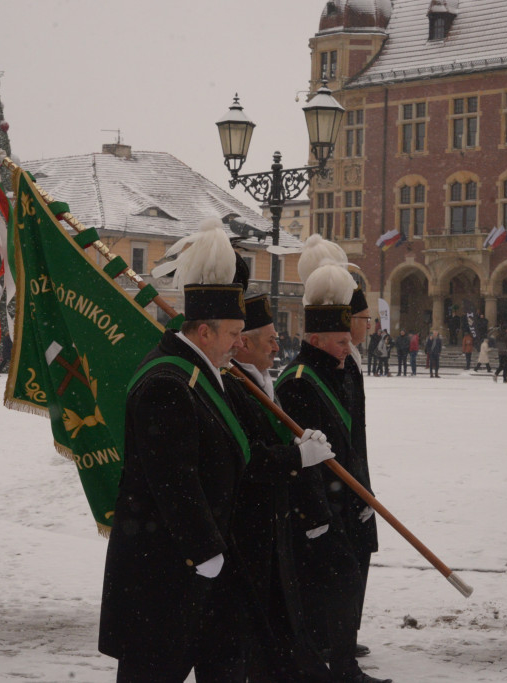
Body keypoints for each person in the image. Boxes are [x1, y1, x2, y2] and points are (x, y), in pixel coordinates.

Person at [99, 218, 251, 681]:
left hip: (199, 568)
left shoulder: (200, 374)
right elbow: (173, 480)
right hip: (164, 573)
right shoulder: (168, 383)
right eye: (233, 334)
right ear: (204, 333)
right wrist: (205, 549)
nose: (240, 343)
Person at [276, 266, 391, 683]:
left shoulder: (338, 371)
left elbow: (351, 443)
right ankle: (335, 664)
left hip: (345, 497)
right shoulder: (299, 382)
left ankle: (338, 660)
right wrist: (317, 516)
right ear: (316, 340)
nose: (348, 348)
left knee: (344, 583)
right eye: (341, 342)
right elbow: (304, 458)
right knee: (329, 585)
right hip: (318, 505)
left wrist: (362, 495)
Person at [225, 293, 335, 682]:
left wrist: (300, 446)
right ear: (243, 343)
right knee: (257, 629)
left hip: (274, 521)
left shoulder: (261, 380)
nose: (277, 346)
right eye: (270, 339)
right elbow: (247, 456)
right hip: (249, 525)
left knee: (280, 621)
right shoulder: (232, 384)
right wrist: (296, 456)